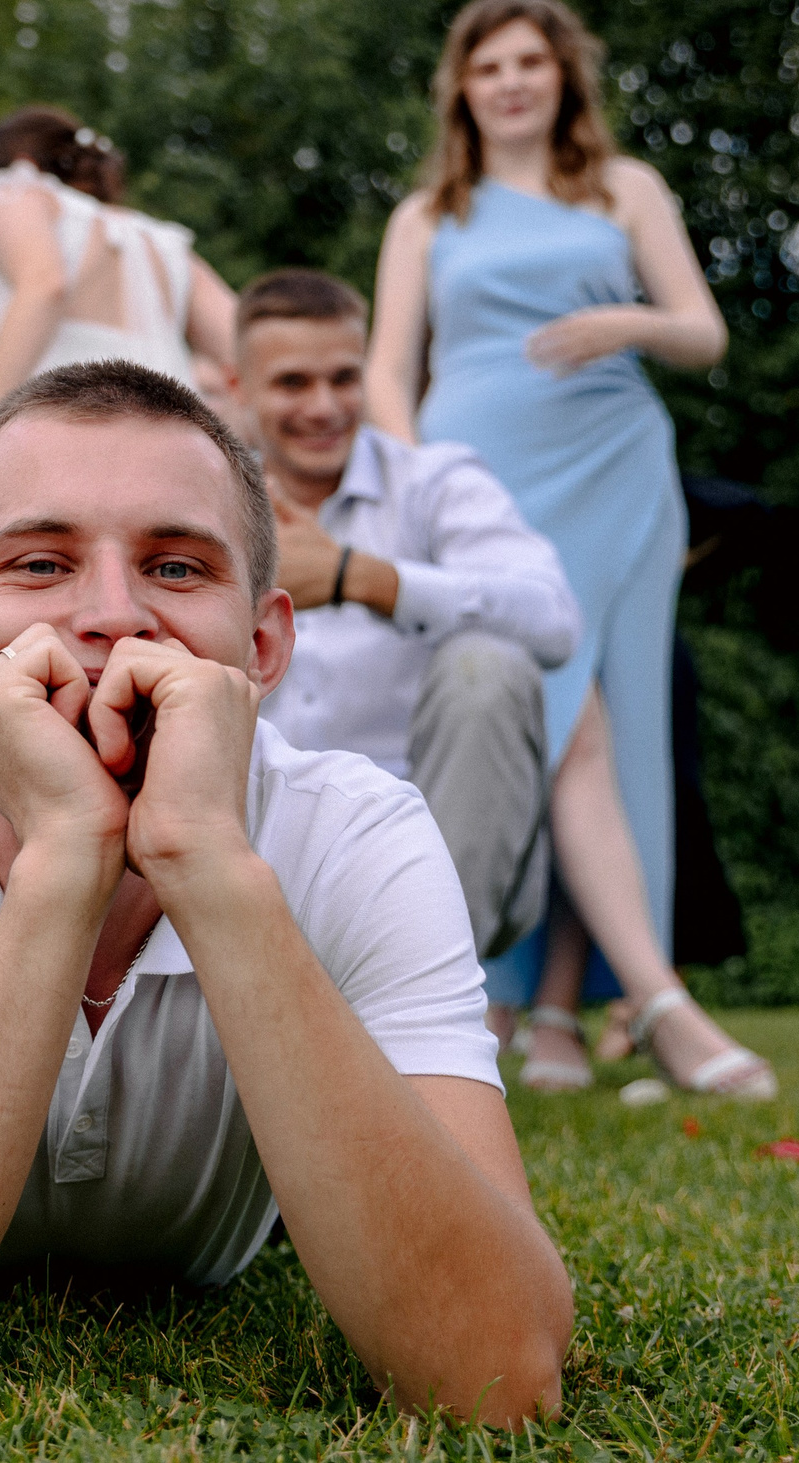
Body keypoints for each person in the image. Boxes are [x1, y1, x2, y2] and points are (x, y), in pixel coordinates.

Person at [0, 361, 572, 1421]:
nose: (114, 614)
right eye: (39, 562)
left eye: (175, 566)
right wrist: (68, 855)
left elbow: (500, 1371)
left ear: (263, 645)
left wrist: (206, 859)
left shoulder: (360, 829)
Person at [367, 0, 772, 1098]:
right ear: (461, 86)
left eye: (529, 64)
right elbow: (385, 372)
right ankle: (538, 998)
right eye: (487, 65)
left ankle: (558, 1015)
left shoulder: (624, 188)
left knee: (611, 721)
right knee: (537, 711)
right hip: (478, 474)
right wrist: (423, 480)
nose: (508, 82)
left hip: (613, 471)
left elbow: (704, 333)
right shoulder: (426, 215)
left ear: (563, 78)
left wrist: (626, 322)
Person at [230, 270, 584, 1063]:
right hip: (251, 846)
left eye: (343, 377)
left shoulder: (436, 481)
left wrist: (368, 578)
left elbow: (554, 617)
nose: (323, 406)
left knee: (488, 664)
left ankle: (414, 1017)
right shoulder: (204, 499)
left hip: (434, 855)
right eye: (293, 382)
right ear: (240, 387)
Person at [0, 105, 241, 711]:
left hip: (48, 450)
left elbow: (43, 284)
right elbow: (245, 349)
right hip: (166, 466)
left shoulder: (8, 192)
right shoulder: (158, 241)